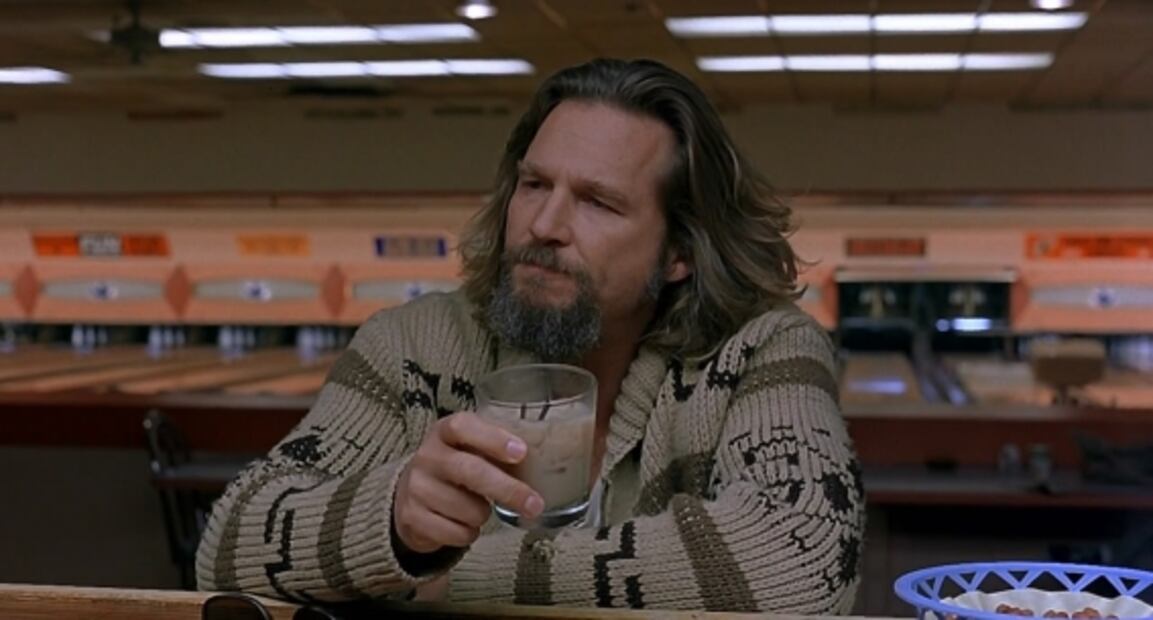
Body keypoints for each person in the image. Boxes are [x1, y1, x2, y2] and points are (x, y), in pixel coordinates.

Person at [196, 57, 865, 613]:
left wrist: (457, 578)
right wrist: (392, 520)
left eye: (598, 202)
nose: (544, 224)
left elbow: (803, 553)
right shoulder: (414, 346)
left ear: (679, 252)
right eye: (534, 184)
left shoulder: (761, 353)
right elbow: (225, 549)